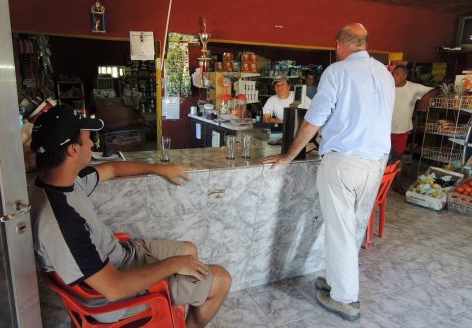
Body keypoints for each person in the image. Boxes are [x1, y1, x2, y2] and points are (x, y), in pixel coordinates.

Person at [29, 105, 231, 327]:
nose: (92, 144)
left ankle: (174, 309)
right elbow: (114, 288)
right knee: (221, 279)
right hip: (113, 299)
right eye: (87, 139)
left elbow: (113, 168)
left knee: (190, 250)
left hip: (120, 257)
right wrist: (173, 265)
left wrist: (158, 169)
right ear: (73, 150)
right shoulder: (60, 222)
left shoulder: (62, 182)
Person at [262, 23, 395, 321]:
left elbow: (313, 121)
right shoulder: (385, 74)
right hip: (376, 162)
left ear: (339, 44)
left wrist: (288, 154)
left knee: (341, 232)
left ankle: (345, 298)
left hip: (345, 162)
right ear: (365, 43)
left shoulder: (337, 71)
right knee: (354, 227)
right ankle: (337, 283)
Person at [391, 64, 438, 194]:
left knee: (397, 157)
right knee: (380, 156)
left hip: (401, 129)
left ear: (405, 75)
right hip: (383, 128)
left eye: (397, 74)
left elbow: (436, 89)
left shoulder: (413, 87)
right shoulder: (387, 85)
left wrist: (426, 97)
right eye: (393, 73)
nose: (393, 76)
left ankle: (397, 184)